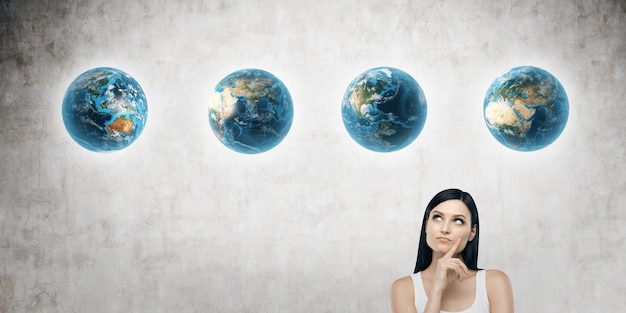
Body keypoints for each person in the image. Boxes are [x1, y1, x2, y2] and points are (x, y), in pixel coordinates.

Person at [390, 188, 514, 313]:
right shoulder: (404, 288)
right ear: (426, 225)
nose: (445, 229)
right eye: (437, 217)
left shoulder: (494, 282)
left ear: (472, 232)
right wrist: (436, 289)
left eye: (458, 221)